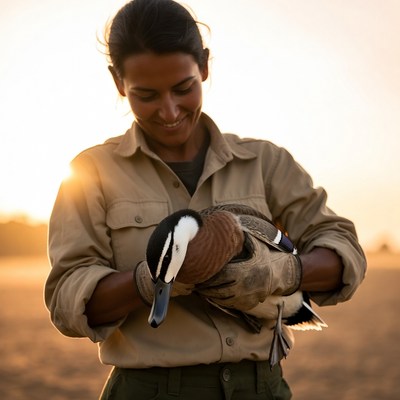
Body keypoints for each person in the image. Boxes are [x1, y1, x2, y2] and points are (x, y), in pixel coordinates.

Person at [44, 0, 367, 399]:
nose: (169, 111)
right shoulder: (89, 173)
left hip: (261, 387)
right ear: (118, 82)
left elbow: (343, 249)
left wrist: (284, 272)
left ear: (206, 68)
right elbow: (67, 299)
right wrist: (152, 281)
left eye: (184, 88)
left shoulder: (265, 162)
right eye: (146, 95)